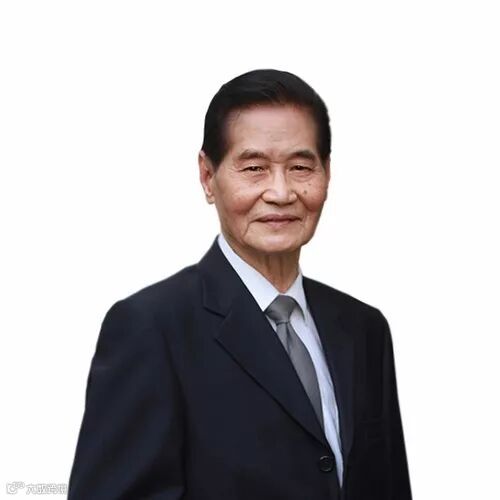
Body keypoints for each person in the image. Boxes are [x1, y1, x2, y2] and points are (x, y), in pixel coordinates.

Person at [67, 69, 412, 500]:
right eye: (254, 168)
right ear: (207, 176)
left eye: (300, 167)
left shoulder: (363, 329)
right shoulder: (151, 330)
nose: (281, 192)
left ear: (327, 173)